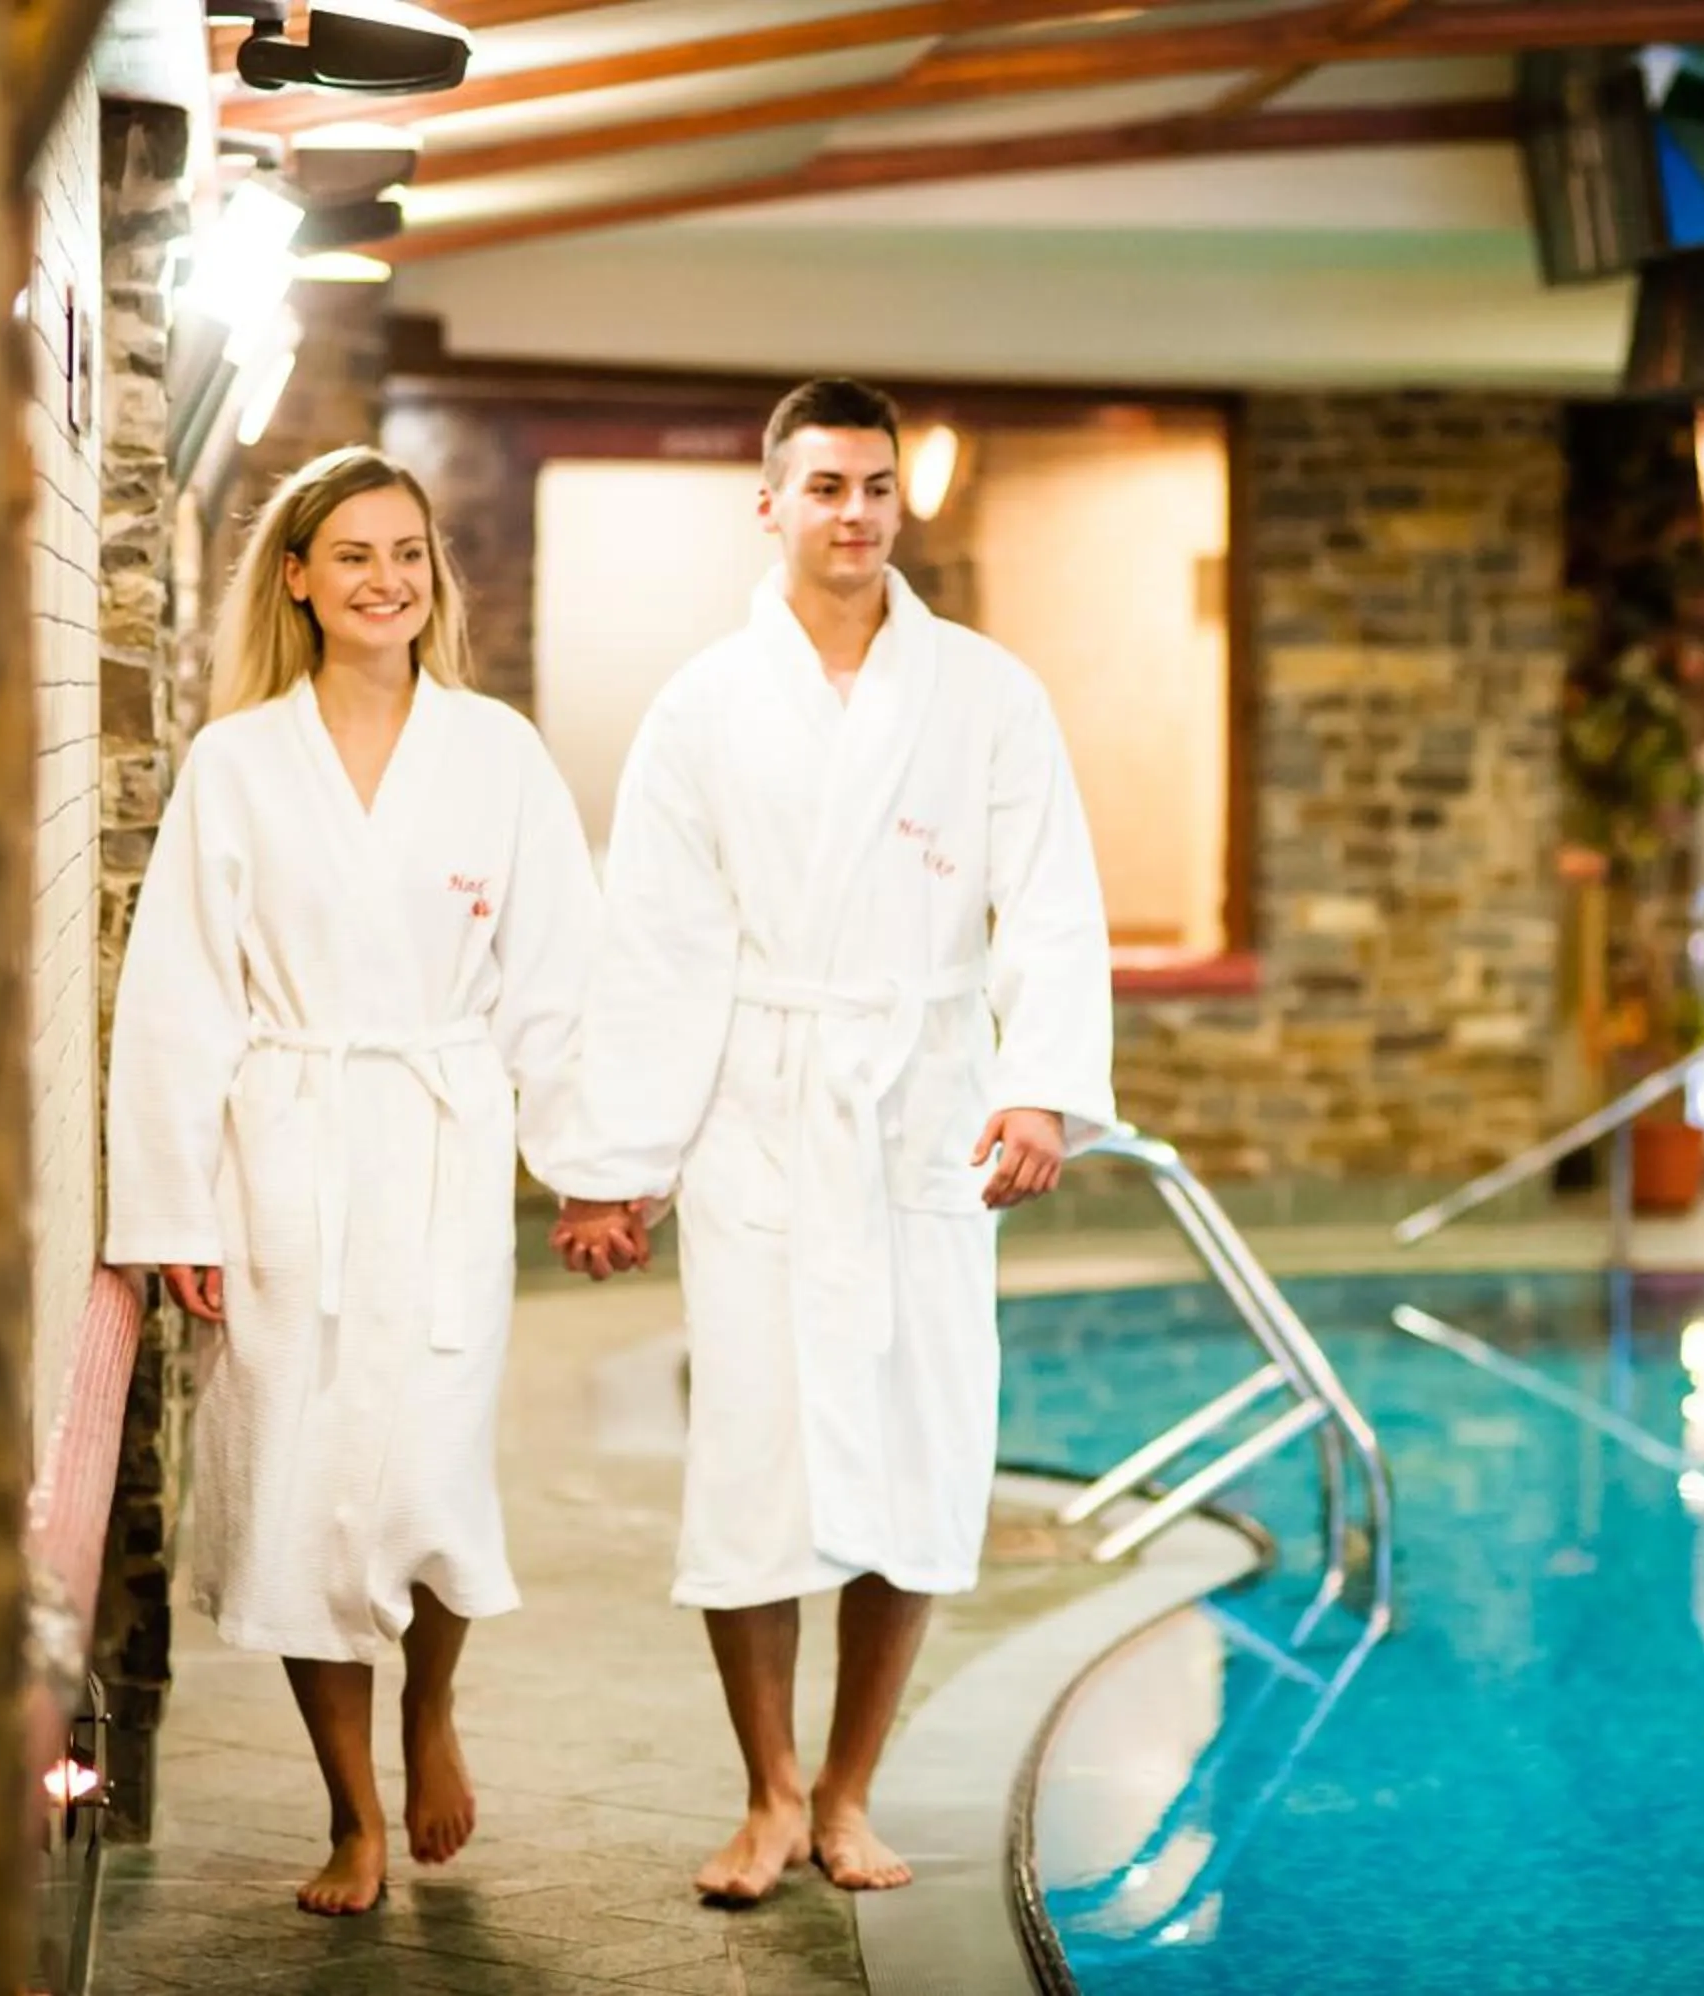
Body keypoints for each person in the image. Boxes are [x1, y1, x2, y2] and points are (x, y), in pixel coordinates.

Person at [547, 378, 1116, 1905]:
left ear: (897, 504)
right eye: (824, 486)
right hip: (764, 1116)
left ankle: (853, 1788)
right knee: (751, 1454)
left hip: (923, 1107)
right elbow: (660, 945)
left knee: (924, 1448)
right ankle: (769, 1793)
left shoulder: (986, 691)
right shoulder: (703, 708)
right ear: (770, 502)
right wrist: (620, 1165)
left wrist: (1039, 1083)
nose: (852, 512)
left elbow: (1051, 894)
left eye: (874, 485)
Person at [103, 446, 600, 1916]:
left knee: (436, 1475)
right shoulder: (237, 763)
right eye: (358, 556)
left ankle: (430, 1703)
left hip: (438, 1150)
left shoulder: (498, 753)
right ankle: (354, 1812)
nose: (390, 580)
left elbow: (560, 978)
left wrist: (590, 1172)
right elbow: (180, 993)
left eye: (412, 555)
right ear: (302, 580)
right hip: (288, 1160)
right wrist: (176, 1209)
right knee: (306, 1487)